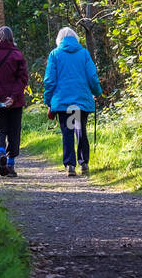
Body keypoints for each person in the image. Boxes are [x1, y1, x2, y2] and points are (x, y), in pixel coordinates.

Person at [43, 26, 102, 177]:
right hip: (81, 100)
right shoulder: (83, 53)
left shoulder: (55, 54)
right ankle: (84, 163)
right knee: (80, 129)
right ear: (75, 38)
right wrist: (97, 92)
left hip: (64, 102)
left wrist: (48, 101)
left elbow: (50, 80)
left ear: (59, 39)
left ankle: (70, 164)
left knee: (68, 131)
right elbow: (92, 76)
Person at [0, 26, 28, 177]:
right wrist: (12, 97)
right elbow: (22, 79)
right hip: (15, 102)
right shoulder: (18, 55)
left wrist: (1, 95)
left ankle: (1, 152)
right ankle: (10, 165)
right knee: (14, 132)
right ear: (11, 38)